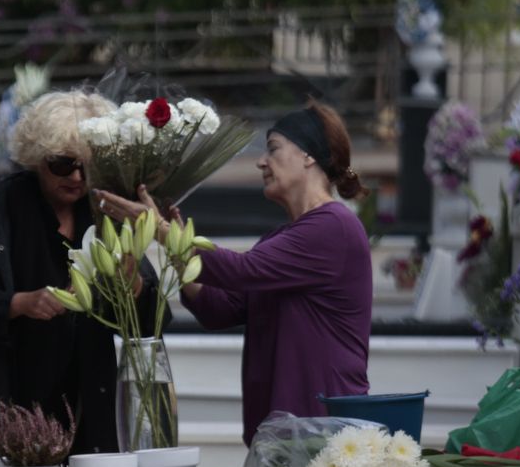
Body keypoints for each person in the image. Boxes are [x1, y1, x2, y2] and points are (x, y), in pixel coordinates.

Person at [99, 101, 372, 445]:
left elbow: (242, 269)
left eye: (273, 148)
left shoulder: (334, 226)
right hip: (283, 434)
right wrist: (178, 251)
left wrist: (160, 231)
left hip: (324, 431)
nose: (262, 161)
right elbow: (219, 309)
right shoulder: (280, 238)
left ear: (308, 156)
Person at [0, 89, 153, 459]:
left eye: (90, 165)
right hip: (6, 397)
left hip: (86, 406)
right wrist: (17, 304)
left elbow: (151, 318)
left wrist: (134, 285)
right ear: (37, 156)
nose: (77, 177)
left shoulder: (107, 211)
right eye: (63, 164)